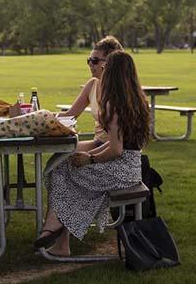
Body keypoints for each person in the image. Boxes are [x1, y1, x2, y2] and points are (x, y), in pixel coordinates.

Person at [35, 51, 151, 256]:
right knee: (64, 167)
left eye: (105, 68)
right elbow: (120, 146)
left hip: (121, 172)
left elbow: (115, 149)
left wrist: (90, 158)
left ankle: (54, 229)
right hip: (132, 167)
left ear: (111, 72)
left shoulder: (113, 104)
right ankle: (59, 236)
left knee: (62, 173)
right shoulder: (137, 99)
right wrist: (88, 158)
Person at [61, 35, 124, 146]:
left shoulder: (120, 90)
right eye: (89, 60)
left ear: (109, 63)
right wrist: (39, 116)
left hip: (115, 147)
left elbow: (119, 144)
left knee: (67, 158)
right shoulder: (92, 85)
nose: (90, 64)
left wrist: (91, 157)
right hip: (98, 142)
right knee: (61, 156)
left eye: (94, 60)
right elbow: (70, 115)